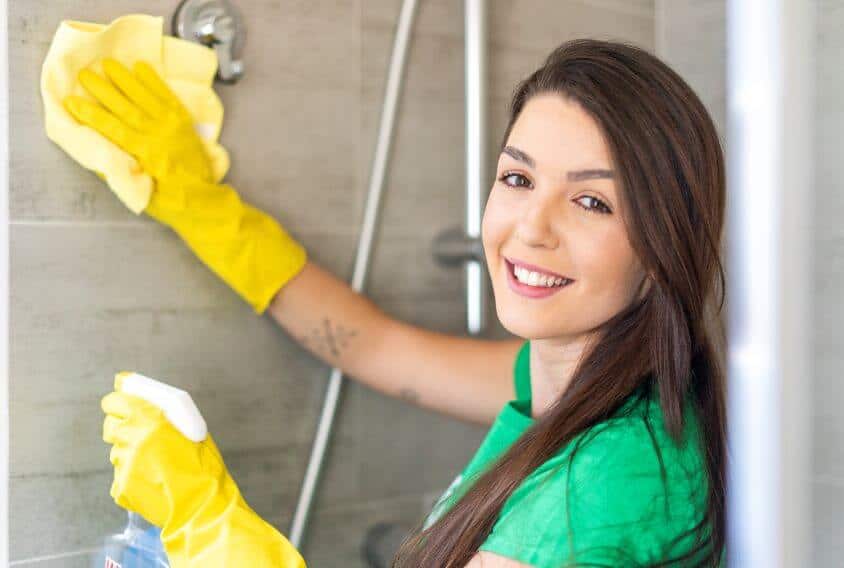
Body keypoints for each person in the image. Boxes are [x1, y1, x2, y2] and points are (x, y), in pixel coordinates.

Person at [63, 37, 727, 567]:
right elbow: (371, 345)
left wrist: (206, 525)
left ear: (663, 244)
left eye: (591, 201)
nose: (531, 228)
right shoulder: (602, 387)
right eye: (518, 178)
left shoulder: (596, 496)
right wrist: (200, 205)